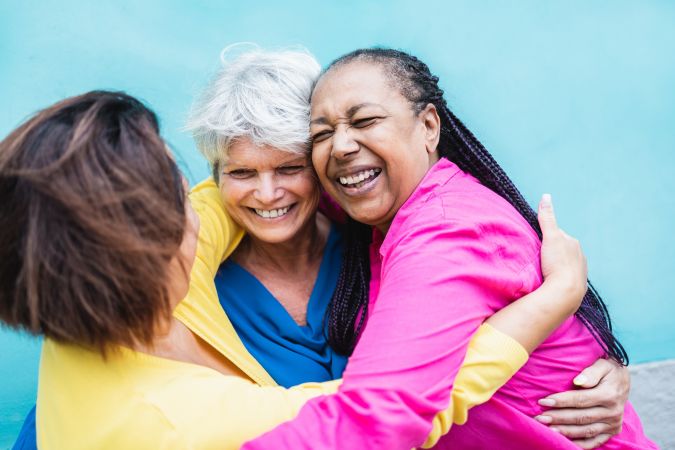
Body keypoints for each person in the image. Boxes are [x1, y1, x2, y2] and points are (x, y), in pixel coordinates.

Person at [10, 50, 631, 450]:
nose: (204, 208)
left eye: (291, 164)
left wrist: (592, 348)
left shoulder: (76, 324)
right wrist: (552, 301)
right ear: (141, 251)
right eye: (188, 195)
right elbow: (382, 416)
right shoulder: (195, 421)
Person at [240, 48, 656, 449]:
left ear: (429, 127)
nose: (342, 146)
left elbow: (376, 417)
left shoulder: (450, 234)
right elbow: (250, 194)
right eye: (322, 134)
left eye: (365, 121)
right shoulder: (382, 207)